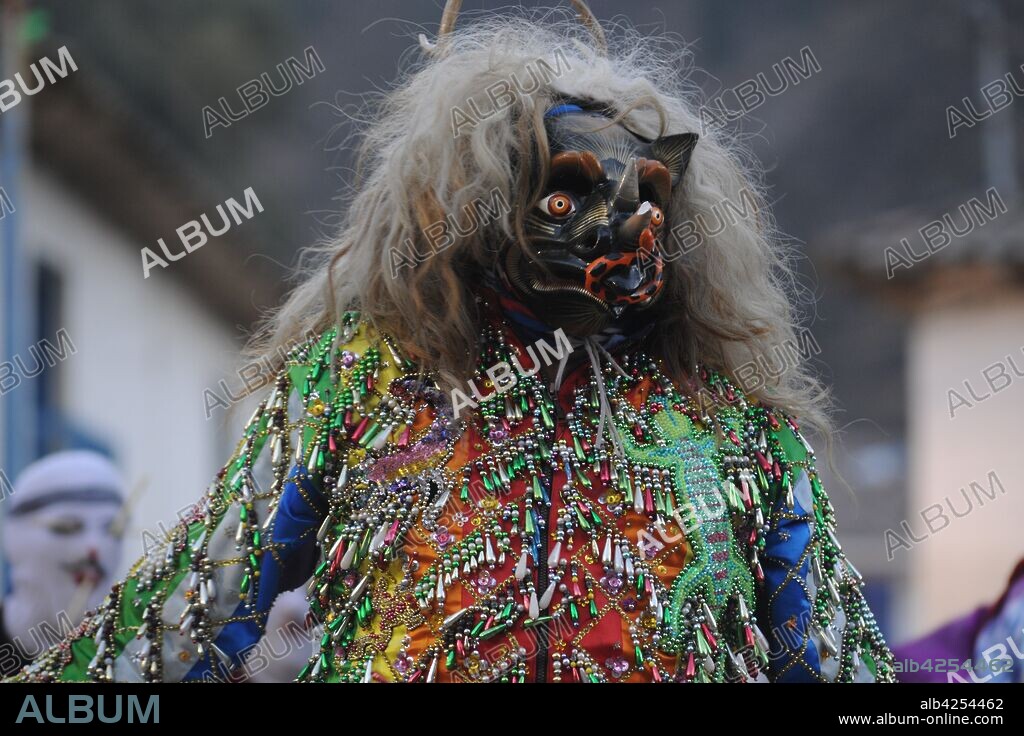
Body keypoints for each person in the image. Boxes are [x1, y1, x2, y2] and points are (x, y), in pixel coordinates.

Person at [6, 2, 895, 683]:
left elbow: (833, 659)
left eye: (644, 202)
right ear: (475, 209)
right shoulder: (362, 380)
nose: (619, 232)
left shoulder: (730, 423)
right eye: (564, 199)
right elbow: (207, 601)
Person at [0, 451, 125, 677]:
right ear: (13, 538)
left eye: (112, 529)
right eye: (65, 527)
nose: (94, 548)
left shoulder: (139, 650)